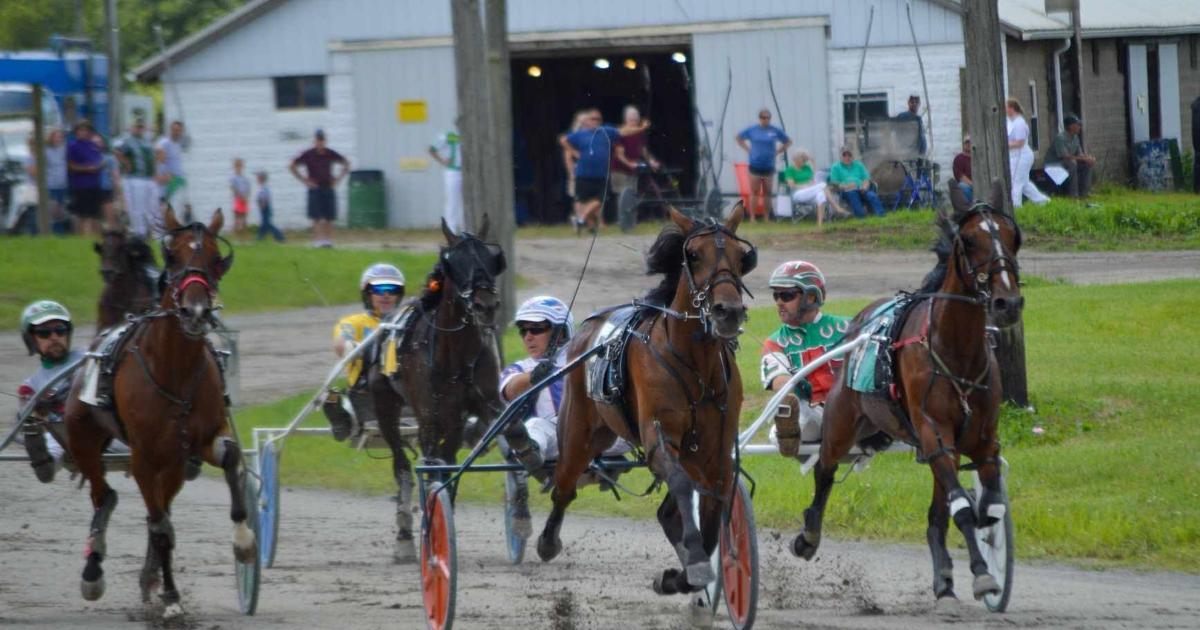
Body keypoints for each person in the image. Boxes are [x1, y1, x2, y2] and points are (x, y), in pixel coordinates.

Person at [499, 296, 631, 469]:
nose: (528, 337)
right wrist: (533, 377)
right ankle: (530, 454)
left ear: (560, 332)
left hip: (604, 433)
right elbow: (509, 390)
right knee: (534, 426)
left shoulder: (589, 355)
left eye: (536, 329)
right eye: (523, 331)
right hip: (560, 437)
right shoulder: (521, 368)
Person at [760, 262, 850, 457]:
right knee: (780, 432)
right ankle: (787, 432)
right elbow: (779, 378)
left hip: (853, 408)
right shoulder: (775, 342)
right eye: (776, 295)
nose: (779, 302)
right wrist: (787, 395)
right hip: (814, 414)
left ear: (811, 296)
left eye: (787, 295)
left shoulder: (848, 328)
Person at [324, 263, 407, 440]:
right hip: (367, 391)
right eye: (379, 289)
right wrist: (350, 347)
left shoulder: (406, 320)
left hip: (408, 388)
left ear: (399, 295)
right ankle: (340, 415)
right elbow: (341, 342)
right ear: (367, 293)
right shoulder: (354, 322)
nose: (386, 295)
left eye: (392, 289)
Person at [17, 301, 83, 482]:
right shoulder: (30, 386)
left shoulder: (90, 357)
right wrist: (37, 410)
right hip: (65, 436)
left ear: (68, 334)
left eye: (60, 330)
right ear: (31, 339)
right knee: (50, 438)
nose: (54, 337)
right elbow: (23, 415)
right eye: (44, 333)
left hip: (103, 428)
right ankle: (45, 464)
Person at [560, 108, 644, 234]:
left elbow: (623, 132)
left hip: (601, 174)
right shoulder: (579, 134)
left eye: (598, 119)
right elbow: (563, 140)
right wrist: (573, 152)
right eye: (593, 118)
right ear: (587, 121)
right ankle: (587, 225)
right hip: (583, 174)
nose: (596, 121)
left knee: (601, 200)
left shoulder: (606, 131)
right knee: (581, 200)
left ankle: (581, 219)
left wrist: (640, 128)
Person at [291, 129, 350, 248]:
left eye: (322, 140)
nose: (320, 143)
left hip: (328, 186)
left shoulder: (330, 153)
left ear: (325, 141)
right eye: (318, 140)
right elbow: (292, 166)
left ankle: (327, 241)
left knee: (329, 216)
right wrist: (304, 180)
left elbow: (346, 163)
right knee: (316, 217)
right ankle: (317, 241)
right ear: (315, 141)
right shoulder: (308, 154)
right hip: (315, 188)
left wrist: (337, 179)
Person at [737, 108, 791, 223]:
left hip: (769, 165)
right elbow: (739, 137)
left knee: (768, 192)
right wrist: (748, 149)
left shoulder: (775, 130)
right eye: (763, 117)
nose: (765, 120)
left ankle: (766, 217)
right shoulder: (753, 130)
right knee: (755, 192)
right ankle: (752, 217)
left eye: (767, 117)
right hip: (755, 164)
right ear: (759, 118)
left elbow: (788, 141)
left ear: (770, 119)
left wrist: (778, 151)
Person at [114, 117, 159, 237]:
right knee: (137, 206)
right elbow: (117, 151)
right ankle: (140, 232)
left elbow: (152, 158)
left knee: (151, 206)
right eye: (137, 127)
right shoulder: (128, 141)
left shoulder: (147, 141)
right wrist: (125, 163)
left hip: (148, 178)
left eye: (141, 127)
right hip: (135, 178)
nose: (139, 129)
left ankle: (153, 232)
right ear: (133, 128)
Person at [783, 151, 848, 225]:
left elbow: (814, 178)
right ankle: (837, 208)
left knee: (821, 195)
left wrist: (812, 162)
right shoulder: (790, 170)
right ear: (796, 159)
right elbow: (792, 185)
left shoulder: (806, 168)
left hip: (810, 192)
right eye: (802, 159)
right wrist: (804, 186)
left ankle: (819, 224)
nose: (804, 161)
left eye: (805, 159)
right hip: (798, 193)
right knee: (823, 185)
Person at [1006, 98, 1050, 208]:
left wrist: (1004, 145)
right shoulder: (1012, 122)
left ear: (1011, 108)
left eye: (1006, 107)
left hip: (1021, 155)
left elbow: (1020, 142)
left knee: (1015, 181)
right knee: (1024, 183)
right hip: (1015, 155)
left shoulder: (1019, 123)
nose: (1004, 110)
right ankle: (1043, 201)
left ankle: (1016, 206)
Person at [611, 105, 660, 197]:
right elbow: (619, 155)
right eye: (631, 118)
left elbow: (642, 149)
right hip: (620, 171)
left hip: (632, 171)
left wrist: (651, 161)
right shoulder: (620, 132)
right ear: (626, 119)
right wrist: (630, 164)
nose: (634, 119)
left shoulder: (639, 133)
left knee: (632, 197)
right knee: (622, 198)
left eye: (636, 117)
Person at [66, 119, 105, 236]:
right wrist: (87, 169)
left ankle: (96, 236)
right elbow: (70, 165)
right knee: (83, 215)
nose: (84, 133)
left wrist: (100, 165)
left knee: (96, 214)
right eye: (81, 130)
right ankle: (83, 236)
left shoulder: (93, 145)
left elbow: (99, 159)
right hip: (81, 185)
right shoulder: (72, 146)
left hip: (95, 184)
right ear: (76, 132)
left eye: (86, 130)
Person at [1044, 114, 1095, 199]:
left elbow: (1079, 154)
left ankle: (1085, 192)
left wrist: (1088, 158)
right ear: (1071, 126)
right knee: (1072, 163)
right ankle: (1073, 195)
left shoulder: (1075, 138)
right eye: (1077, 125)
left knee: (1086, 164)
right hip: (1054, 164)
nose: (1079, 127)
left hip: (1067, 163)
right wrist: (1083, 158)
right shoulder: (1060, 138)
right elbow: (1065, 156)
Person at [828, 146, 885, 218]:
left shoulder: (858, 165)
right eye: (844, 155)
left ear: (852, 156)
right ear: (840, 156)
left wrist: (864, 187)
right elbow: (834, 184)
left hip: (861, 189)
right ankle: (861, 216)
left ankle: (881, 215)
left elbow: (866, 178)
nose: (847, 157)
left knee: (872, 195)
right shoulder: (835, 167)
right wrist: (846, 186)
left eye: (849, 155)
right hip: (847, 191)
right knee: (852, 194)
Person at [428, 129, 463, 234]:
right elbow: (432, 149)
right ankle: (451, 231)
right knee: (453, 201)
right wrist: (443, 161)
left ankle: (465, 231)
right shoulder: (449, 135)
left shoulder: (472, 134)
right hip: (453, 172)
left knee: (465, 202)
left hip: (468, 173)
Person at [155, 120, 189, 213]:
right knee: (164, 205)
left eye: (178, 130)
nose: (176, 132)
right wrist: (160, 175)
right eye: (174, 130)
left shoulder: (178, 143)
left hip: (178, 179)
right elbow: (158, 159)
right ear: (170, 130)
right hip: (169, 179)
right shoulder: (164, 142)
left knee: (175, 207)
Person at [255, 170, 285, 242]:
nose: (257, 179)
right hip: (264, 208)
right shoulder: (262, 187)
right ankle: (260, 238)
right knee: (265, 224)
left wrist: (262, 206)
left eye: (258, 177)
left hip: (265, 208)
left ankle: (280, 237)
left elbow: (265, 198)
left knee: (267, 225)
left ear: (261, 178)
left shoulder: (264, 188)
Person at [230, 157, 251, 235]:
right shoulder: (233, 178)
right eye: (237, 166)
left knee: (244, 219)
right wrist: (240, 197)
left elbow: (248, 189)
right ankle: (236, 235)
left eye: (240, 166)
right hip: (238, 200)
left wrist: (246, 197)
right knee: (237, 219)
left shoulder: (244, 178)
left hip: (244, 199)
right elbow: (234, 189)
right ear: (234, 167)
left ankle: (244, 236)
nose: (239, 168)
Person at [953, 136, 974, 203]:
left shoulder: (978, 157)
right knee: (962, 186)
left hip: (980, 184)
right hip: (968, 186)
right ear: (963, 144)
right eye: (966, 142)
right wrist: (973, 185)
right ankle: (971, 207)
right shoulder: (958, 158)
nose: (968, 144)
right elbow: (961, 177)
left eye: (970, 142)